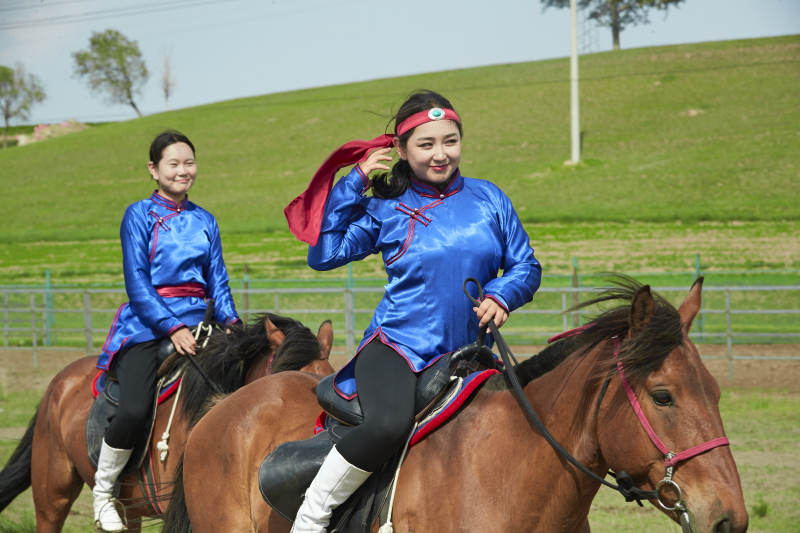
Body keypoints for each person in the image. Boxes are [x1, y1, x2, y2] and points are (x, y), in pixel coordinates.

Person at [284, 89, 542, 531]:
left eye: (450, 140)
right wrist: (353, 184)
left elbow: (526, 265)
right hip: (399, 348)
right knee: (387, 425)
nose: (441, 154)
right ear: (401, 150)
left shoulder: (490, 198)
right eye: (426, 144)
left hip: (471, 354)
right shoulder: (384, 207)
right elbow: (323, 254)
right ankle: (311, 518)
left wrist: (503, 294)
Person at [93, 130, 240, 532]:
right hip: (146, 324)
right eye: (173, 164)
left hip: (201, 320)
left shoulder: (205, 219)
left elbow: (219, 281)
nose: (183, 171)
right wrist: (171, 326)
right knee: (136, 407)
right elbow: (137, 281)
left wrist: (234, 326)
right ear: (154, 170)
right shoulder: (138, 215)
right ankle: (104, 493)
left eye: (188, 162)